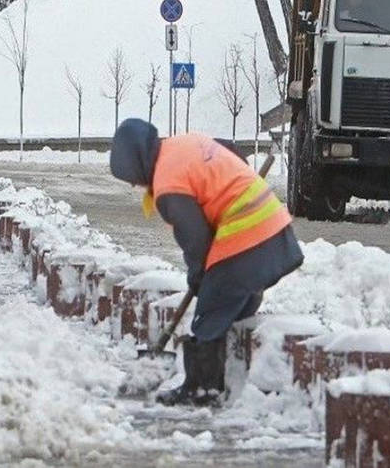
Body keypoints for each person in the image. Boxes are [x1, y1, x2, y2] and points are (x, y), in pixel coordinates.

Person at [109, 118, 304, 406]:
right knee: (234, 302)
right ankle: (237, 375)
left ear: (137, 163)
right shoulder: (185, 142)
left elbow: (195, 236)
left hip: (246, 235)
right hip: (273, 228)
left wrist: (198, 273)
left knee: (209, 312)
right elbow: (231, 152)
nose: (138, 184)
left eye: (133, 178)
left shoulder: (168, 182)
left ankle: (202, 389)